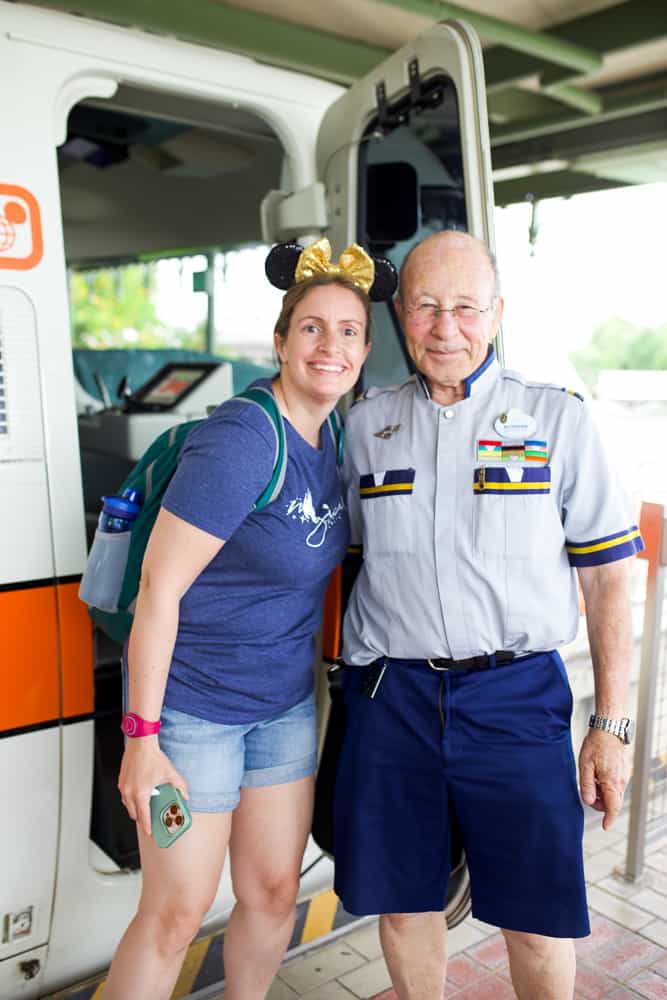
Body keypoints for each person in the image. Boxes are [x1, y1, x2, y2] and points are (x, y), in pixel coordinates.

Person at [333, 230, 643, 1000]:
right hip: (390, 700)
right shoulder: (365, 425)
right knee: (405, 908)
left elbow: (607, 579)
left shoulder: (556, 419)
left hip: (514, 699)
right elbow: (333, 555)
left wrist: (612, 725)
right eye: (427, 307)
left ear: (497, 312)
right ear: (401, 315)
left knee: (537, 920)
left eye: (466, 308)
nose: (446, 328)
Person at [104, 238, 396, 1000]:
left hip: (282, 711)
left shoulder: (334, 433)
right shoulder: (243, 439)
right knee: (174, 914)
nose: (328, 345)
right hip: (193, 715)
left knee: (270, 894)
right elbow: (158, 593)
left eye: (347, 331)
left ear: (364, 349)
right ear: (279, 340)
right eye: (310, 327)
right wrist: (142, 740)